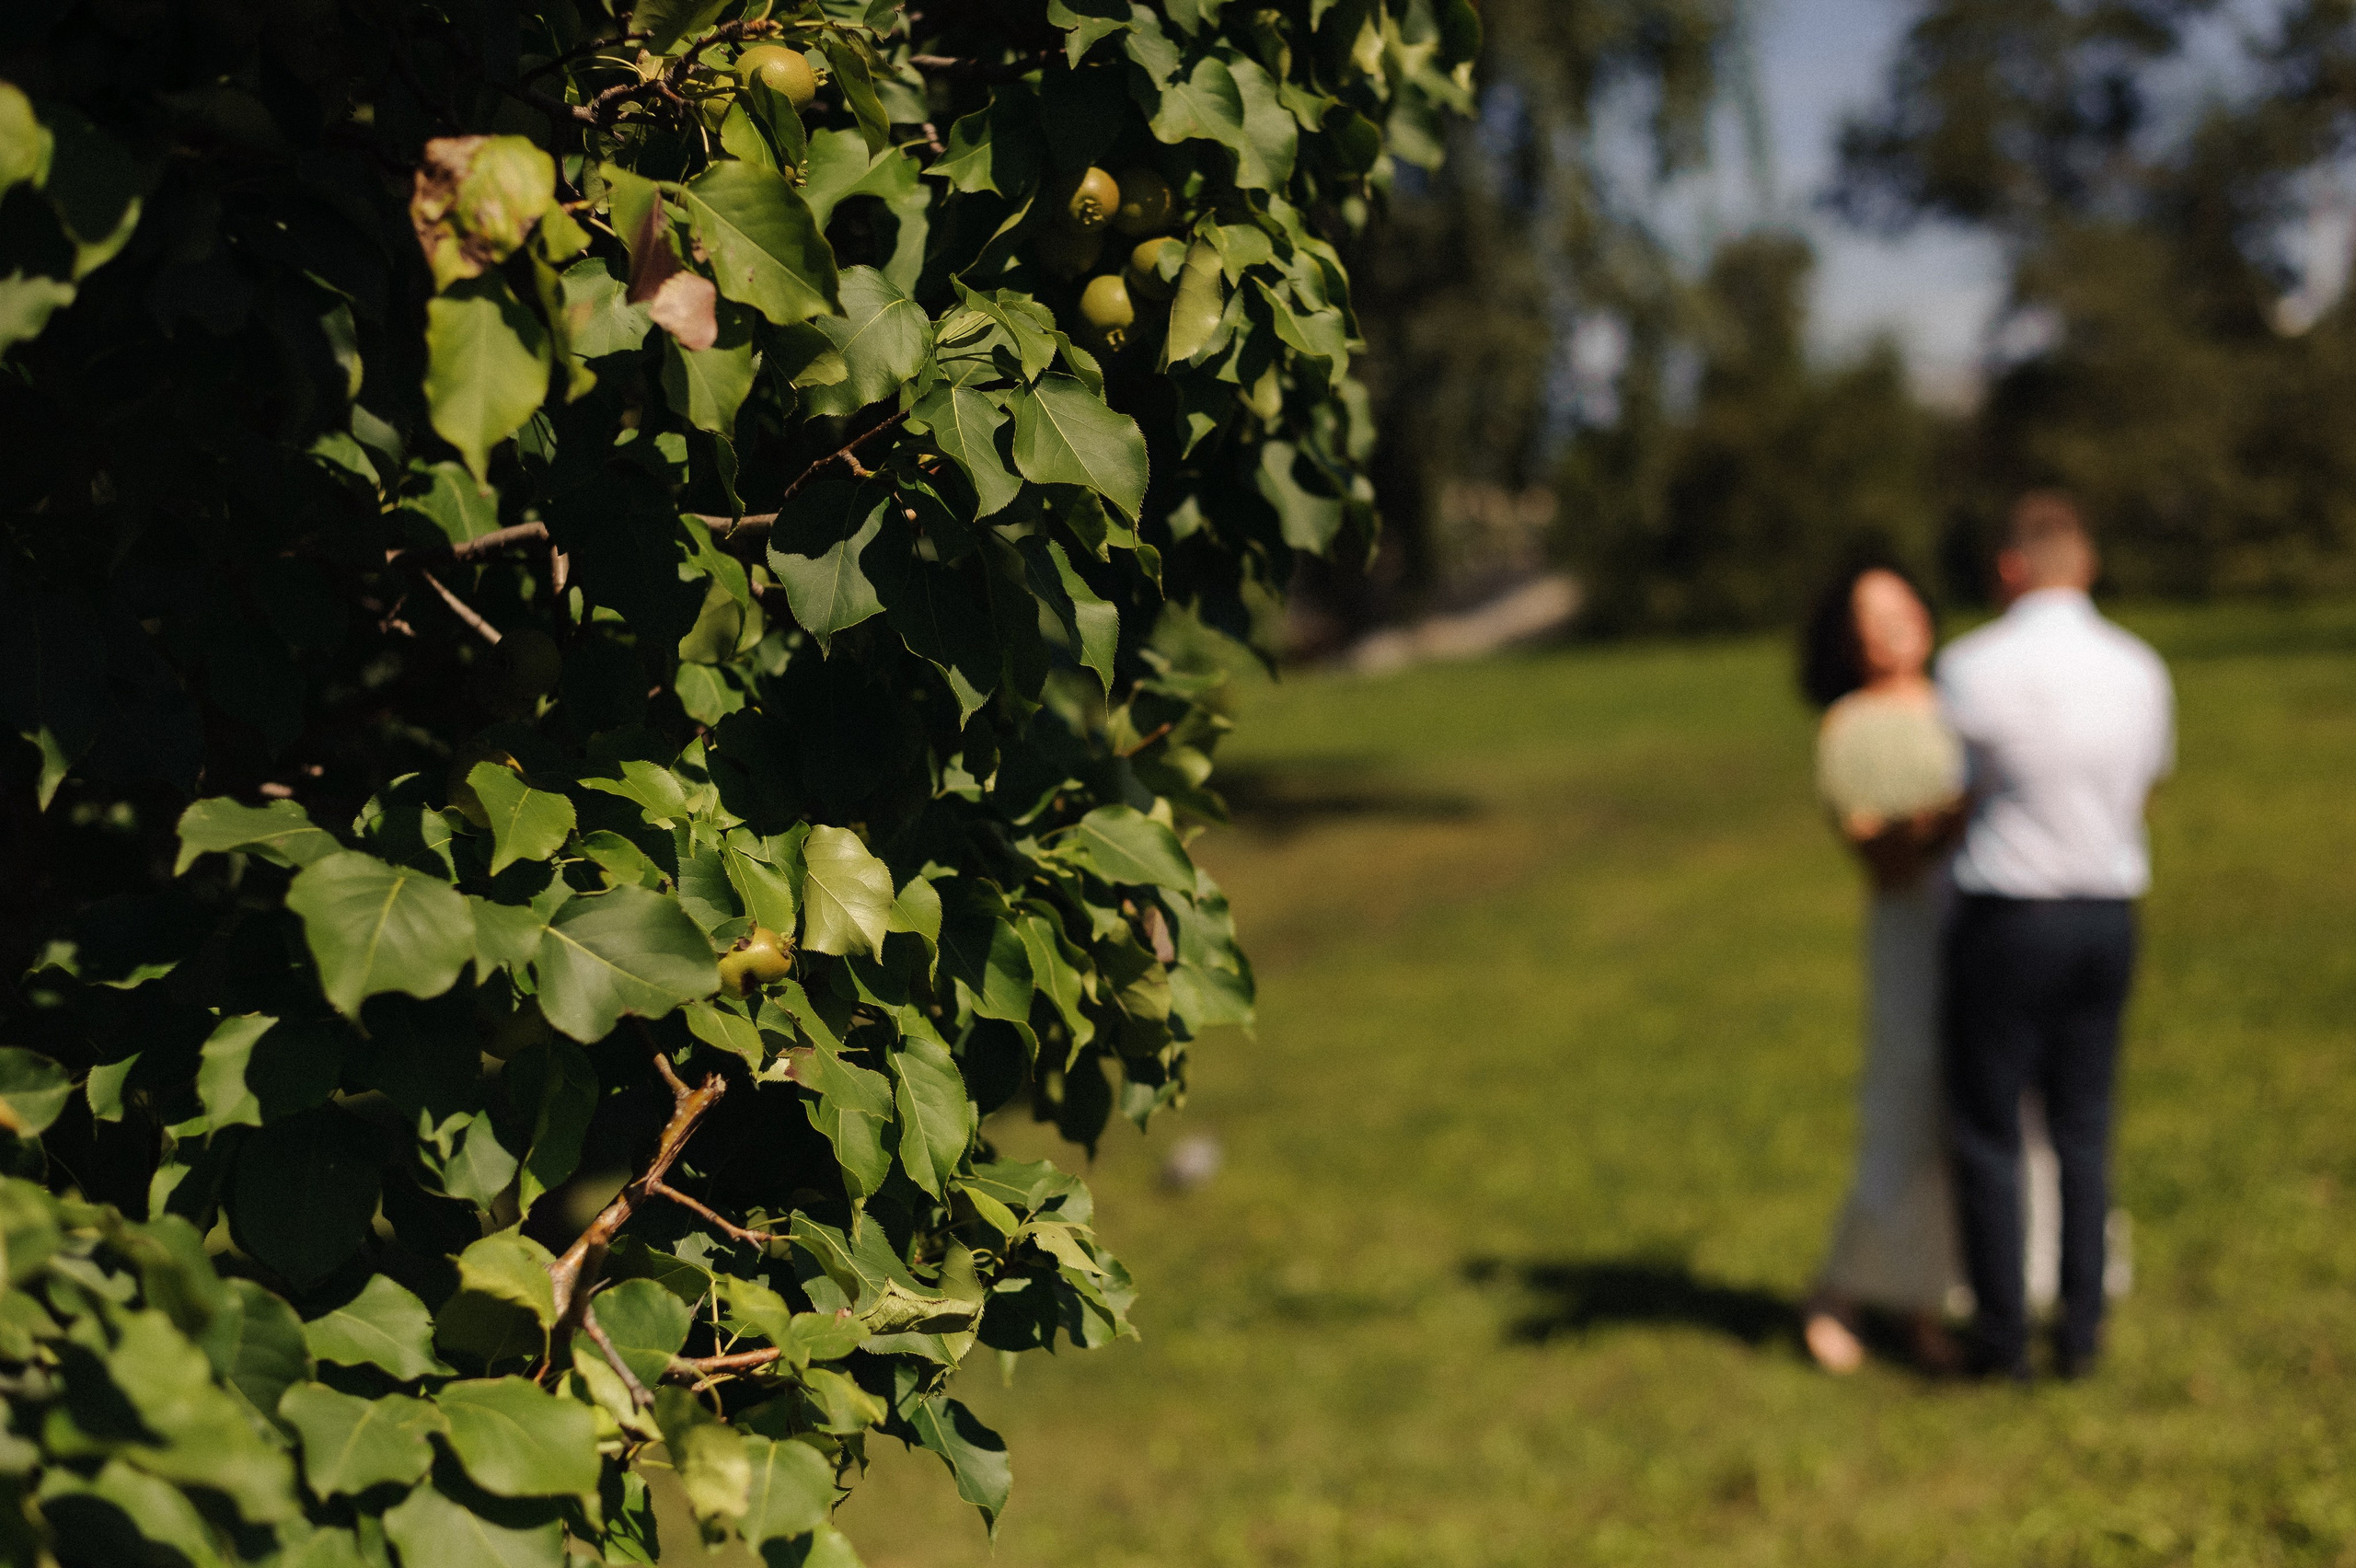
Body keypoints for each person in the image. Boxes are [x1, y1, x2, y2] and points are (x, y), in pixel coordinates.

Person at [1795, 561, 2063, 1376]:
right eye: (1866, 617)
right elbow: (1881, 863)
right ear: (1848, 640)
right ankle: (1842, 1291)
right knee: (1909, 1106)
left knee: (1991, 1111)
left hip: (1993, 922)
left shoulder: (1969, 698)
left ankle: (1935, 1298)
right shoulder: (1847, 728)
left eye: (1897, 607)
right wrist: (1945, 821)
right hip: (1913, 935)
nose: (1887, 627)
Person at [1938, 492, 2174, 1381]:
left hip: (2009, 914)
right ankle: (2081, 1330)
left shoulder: (1971, 665)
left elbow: (1947, 796)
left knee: (1991, 1130)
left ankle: (2002, 1338)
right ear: (2088, 567)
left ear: (2009, 569)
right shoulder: (2141, 667)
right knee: (2083, 1127)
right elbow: (2145, 789)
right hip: (2106, 915)